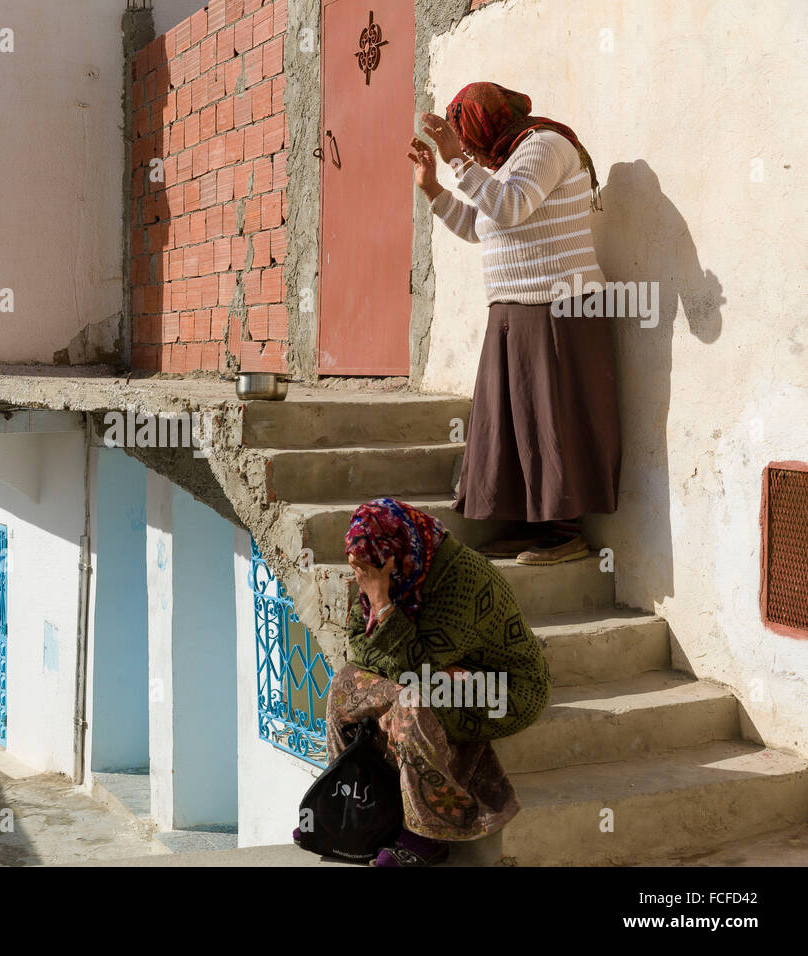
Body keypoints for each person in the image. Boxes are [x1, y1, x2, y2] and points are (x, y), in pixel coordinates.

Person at [408, 81, 620, 565]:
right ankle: (531, 523)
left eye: (469, 140)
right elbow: (482, 226)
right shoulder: (503, 163)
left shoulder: (544, 146)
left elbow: (509, 207)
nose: (470, 152)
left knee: (551, 420)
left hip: (556, 307)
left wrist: (457, 162)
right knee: (514, 422)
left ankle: (564, 532)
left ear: (487, 126)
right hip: (513, 311)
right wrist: (435, 189)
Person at [324, 498, 551, 866]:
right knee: (345, 683)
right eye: (358, 570)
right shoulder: (397, 563)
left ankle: (426, 834)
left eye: (367, 571)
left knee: (411, 703)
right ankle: (347, 801)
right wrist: (379, 604)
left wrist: (381, 601)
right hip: (441, 673)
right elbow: (357, 646)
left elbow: (415, 667)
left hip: (501, 689)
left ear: (396, 554)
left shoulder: (463, 582)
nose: (361, 579)